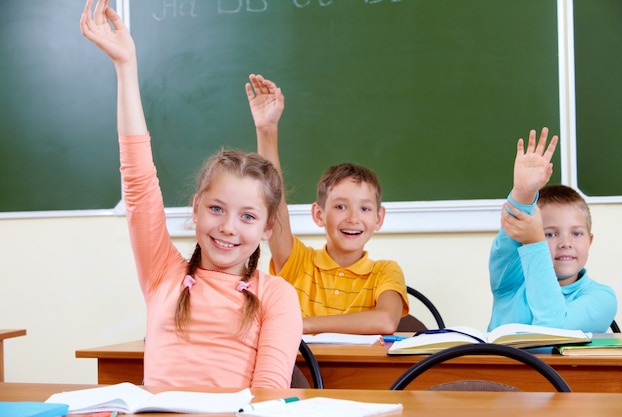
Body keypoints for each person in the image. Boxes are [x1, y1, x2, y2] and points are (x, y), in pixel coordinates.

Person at [80, 0, 302, 388]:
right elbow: (138, 182)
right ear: (196, 209)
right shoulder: (163, 273)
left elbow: (267, 397)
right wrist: (126, 68)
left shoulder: (277, 296)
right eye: (216, 208)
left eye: (248, 216)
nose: (228, 227)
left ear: (269, 227)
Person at [246, 74, 409, 335]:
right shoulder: (297, 261)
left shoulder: (385, 271)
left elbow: (386, 321)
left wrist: (305, 325)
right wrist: (267, 130)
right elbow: (274, 202)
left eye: (365, 208)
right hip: (297, 375)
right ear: (318, 214)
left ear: (379, 219)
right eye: (340, 207)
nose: (353, 218)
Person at [488, 127, 617, 333]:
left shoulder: (602, 298)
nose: (566, 243)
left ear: (589, 241)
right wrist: (523, 193)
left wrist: (537, 241)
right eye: (550, 234)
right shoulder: (509, 281)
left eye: (576, 233)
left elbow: (554, 332)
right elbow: (510, 234)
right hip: (497, 366)